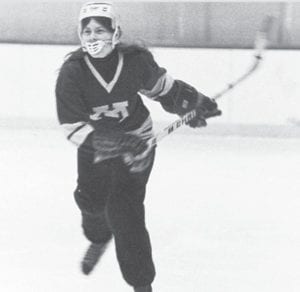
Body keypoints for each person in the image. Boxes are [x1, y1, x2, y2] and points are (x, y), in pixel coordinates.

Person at [55, 1, 221, 291]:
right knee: (91, 201)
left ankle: (141, 285)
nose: (93, 37)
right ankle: (98, 237)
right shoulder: (73, 73)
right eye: (88, 31)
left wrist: (192, 104)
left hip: (138, 143)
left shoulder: (134, 62)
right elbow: (72, 127)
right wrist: (113, 142)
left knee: (126, 212)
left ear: (115, 32)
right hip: (98, 146)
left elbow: (165, 90)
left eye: (100, 30)